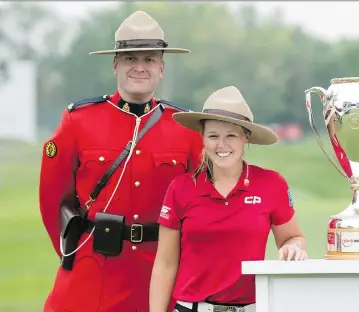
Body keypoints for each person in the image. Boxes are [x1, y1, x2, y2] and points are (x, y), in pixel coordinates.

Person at [39, 10, 203, 312]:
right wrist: (74, 251)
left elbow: (199, 206)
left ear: (161, 67)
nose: (139, 67)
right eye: (130, 58)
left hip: (158, 276)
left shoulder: (186, 128)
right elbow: (53, 201)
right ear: (116, 64)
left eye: (149, 59)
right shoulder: (78, 121)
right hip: (93, 271)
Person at [149, 86, 308, 312]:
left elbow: (293, 237)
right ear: (202, 137)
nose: (221, 145)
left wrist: (293, 247)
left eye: (231, 135)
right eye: (213, 135)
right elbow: (165, 264)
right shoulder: (181, 188)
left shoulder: (271, 184)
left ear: (245, 137)